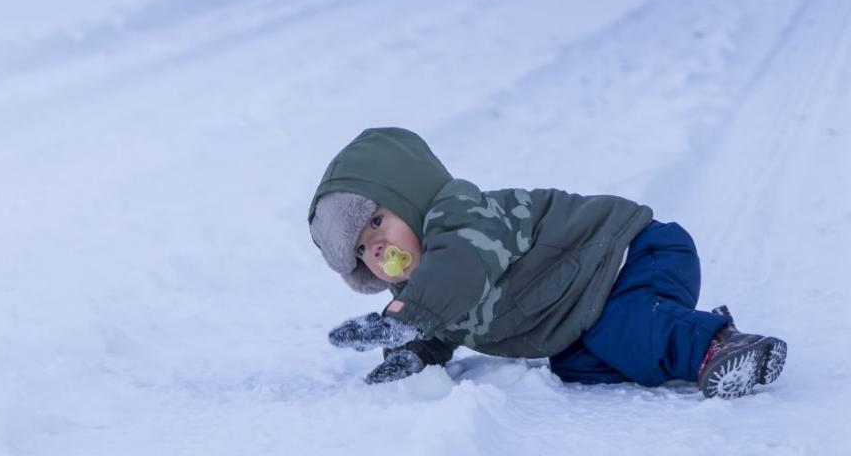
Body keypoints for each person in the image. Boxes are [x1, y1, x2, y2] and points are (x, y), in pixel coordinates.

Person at [308, 127, 787, 398]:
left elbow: (460, 272)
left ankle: (719, 345)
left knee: (622, 328)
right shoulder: (422, 295)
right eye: (359, 252)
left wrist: (403, 319)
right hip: (588, 307)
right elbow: (437, 326)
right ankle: (681, 329)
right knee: (578, 364)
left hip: (630, 256)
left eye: (376, 222)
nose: (374, 248)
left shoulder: (460, 216)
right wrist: (412, 353)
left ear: (408, 196)